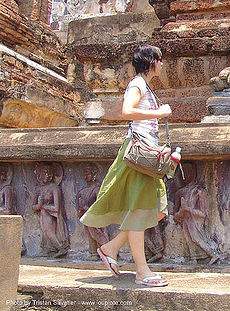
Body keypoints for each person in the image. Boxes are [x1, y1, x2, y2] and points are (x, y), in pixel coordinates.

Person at [80, 44, 172, 287]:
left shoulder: (146, 86)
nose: (162, 64)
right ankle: (142, 271)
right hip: (138, 152)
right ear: (151, 61)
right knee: (141, 210)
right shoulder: (138, 84)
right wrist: (159, 114)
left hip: (148, 152)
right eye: (160, 60)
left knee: (157, 208)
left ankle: (111, 248)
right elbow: (127, 111)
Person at [32, 162, 69, 258]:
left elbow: (56, 208)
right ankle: (47, 249)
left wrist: (42, 206)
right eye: (44, 172)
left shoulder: (54, 188)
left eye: (49, 173)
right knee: (45, 233)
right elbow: (33, 206)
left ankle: (61, 248)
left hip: (51, 215)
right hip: (43, 215)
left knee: (49, 232)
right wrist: (39, 206)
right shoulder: (39, 189)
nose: (47, 175)